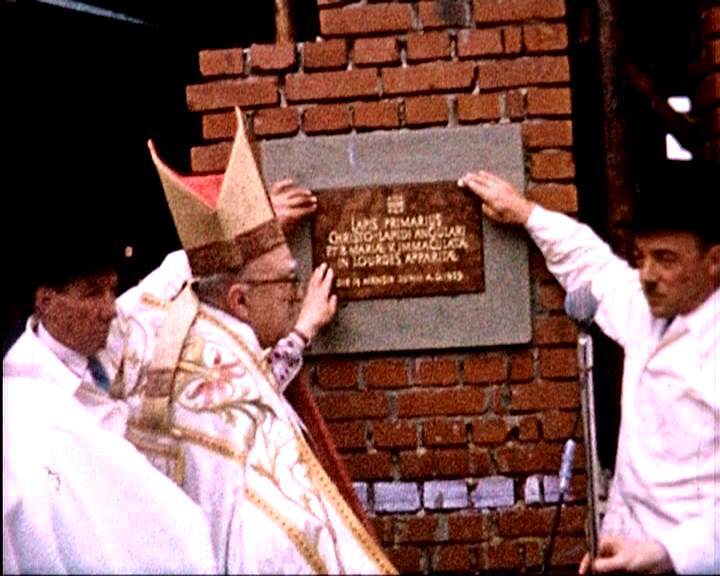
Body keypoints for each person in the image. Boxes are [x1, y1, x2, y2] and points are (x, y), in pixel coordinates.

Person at [107, 108, 396, 574]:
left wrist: (244, 245)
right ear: (239, 300)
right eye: (288, 280)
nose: (297, 294)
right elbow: (288, 540)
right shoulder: (229, 386)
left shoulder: (173, 327)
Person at [458, 161, 719, 575]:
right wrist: (524, 212)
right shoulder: (649, 309)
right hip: (622, 551)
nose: (647, 275)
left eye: (665, 258)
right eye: (641, 257)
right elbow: (593, 265)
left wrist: (667, 553)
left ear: (714, 260)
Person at [2, 216, 218, 573]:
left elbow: (163, 281)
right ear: (46, 301)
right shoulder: (24, 392)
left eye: (112, 290)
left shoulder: (115, 334)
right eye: (92, 294)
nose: (110, 310)